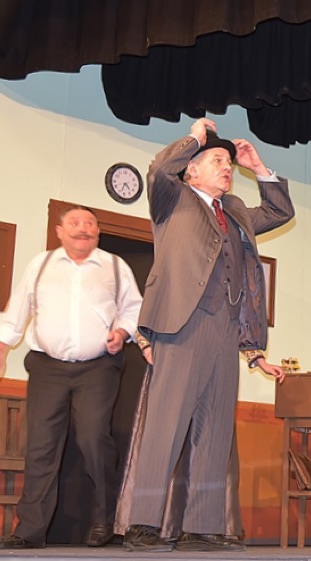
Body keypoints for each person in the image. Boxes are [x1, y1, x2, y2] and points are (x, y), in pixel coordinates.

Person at [121, 118, 292, 553]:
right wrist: (195, 136)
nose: (227, 167)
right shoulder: (172, 198)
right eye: (217, 160)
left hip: (227, 329)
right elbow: (159, 168)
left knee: (215, 431)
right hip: (181, 324)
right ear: (192, 169)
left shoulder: (235, 210)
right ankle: (143, 525)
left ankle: (202, 527)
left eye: (228, 162)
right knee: (166, 425)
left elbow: (279, 212)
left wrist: (259, 168)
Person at [0, 206, 143, 549]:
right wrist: (2, 349)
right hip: (47, 368)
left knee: (94, 440)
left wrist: (123, 332)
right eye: (75, 223)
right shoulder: (41, 264)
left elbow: (134, 308)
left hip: (98, 368)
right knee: (40, 446)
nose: (84, 228)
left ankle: (104, 521)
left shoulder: (114, 266)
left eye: (90, 223)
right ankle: (29, 531)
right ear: (60, 231)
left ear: (98, 231)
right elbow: (17, 310)